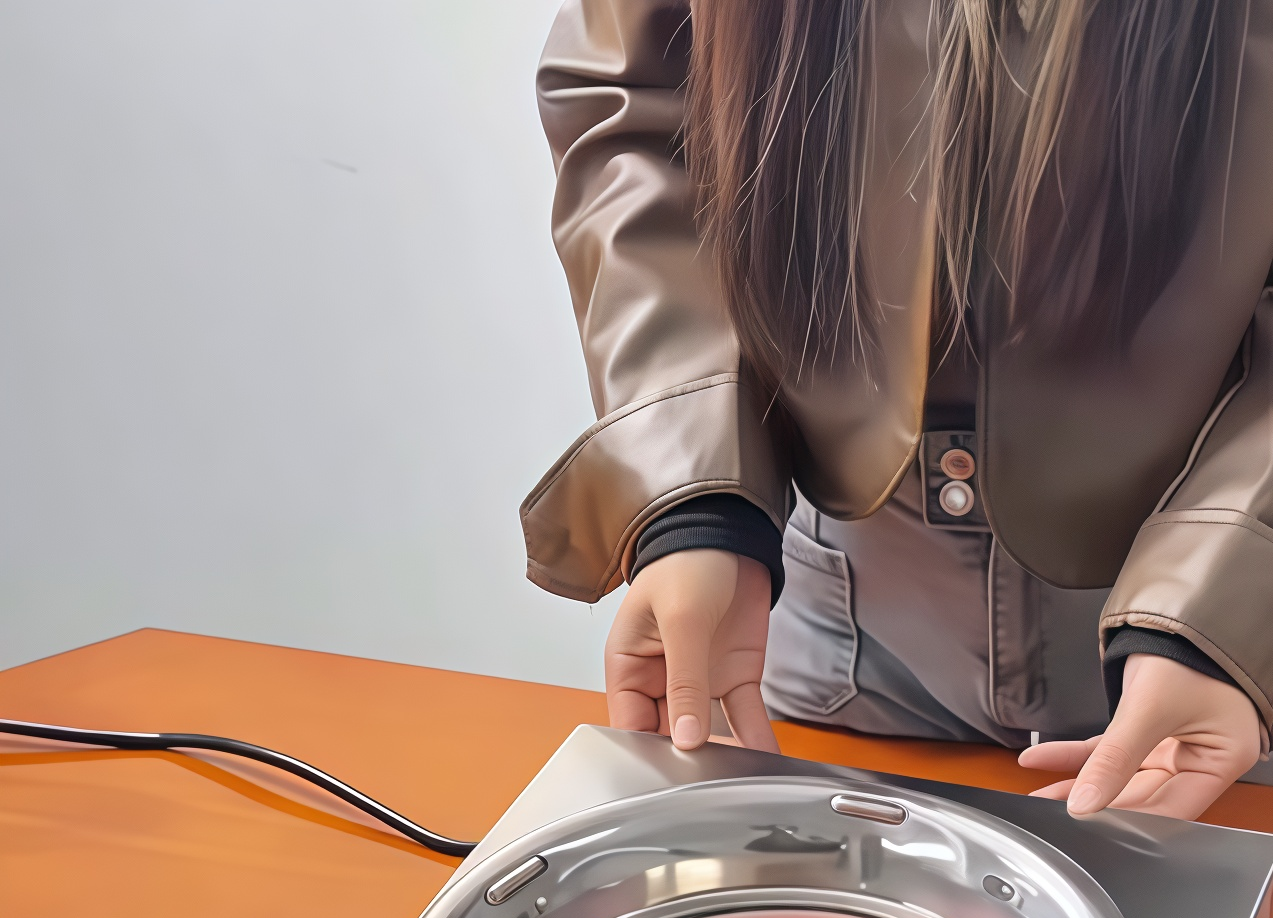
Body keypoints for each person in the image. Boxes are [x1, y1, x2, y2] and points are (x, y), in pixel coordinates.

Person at [521, 0, 1273, 819]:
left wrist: (1225, 599)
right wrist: (697, 495)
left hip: (1222, 678)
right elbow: (634, 106)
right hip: (817, 626)